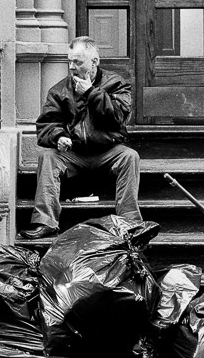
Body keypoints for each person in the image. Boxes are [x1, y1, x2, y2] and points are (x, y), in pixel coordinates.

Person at [20, 36, 142, 239]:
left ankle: (129, 222)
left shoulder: (117, 83)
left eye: (77, 62)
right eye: (69, 61)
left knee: (130, 156)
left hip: (107, 152)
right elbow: (46, 125)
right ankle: (45, 221)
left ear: (94, 61)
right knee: (47, 156)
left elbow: (118, 117)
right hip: (73, 155)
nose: (71, 67)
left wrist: (92, 93)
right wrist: (58, 136)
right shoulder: (59, 90)